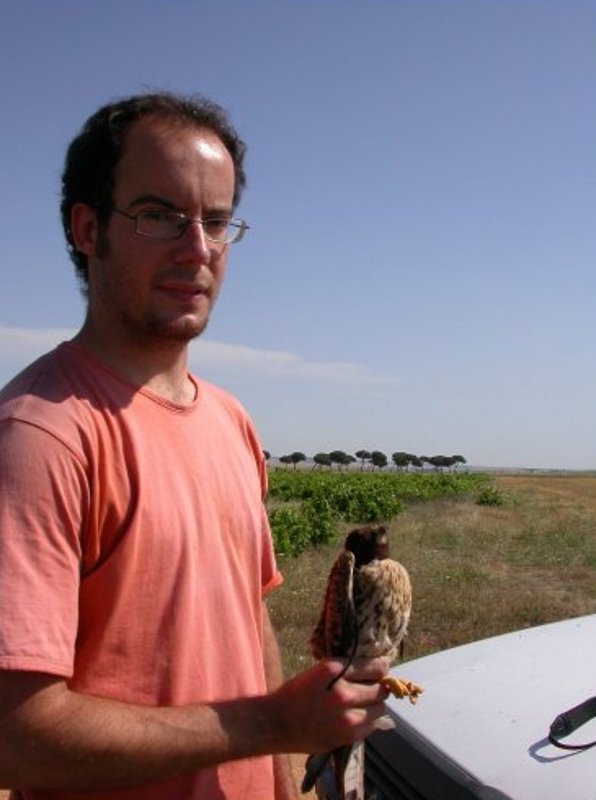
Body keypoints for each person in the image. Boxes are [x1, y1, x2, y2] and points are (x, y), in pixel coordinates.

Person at [0, 92, 391, 800]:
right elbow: (14, 738)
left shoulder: (231, 420)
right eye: (159, 216)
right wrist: (273, 723)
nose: (197, 249)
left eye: (216, 221)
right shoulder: (41, 435)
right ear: (88, 229)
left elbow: (251, 622)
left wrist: (281, 781)